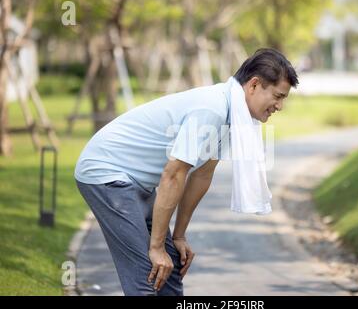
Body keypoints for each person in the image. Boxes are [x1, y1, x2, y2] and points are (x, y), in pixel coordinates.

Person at [74, 48, 299, 296]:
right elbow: (174, 174)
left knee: (170, 275)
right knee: (146, 277)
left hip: (137, 183)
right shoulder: (212, 109)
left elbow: (202, 175)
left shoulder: (232, 113)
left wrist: (178, 236)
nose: (279, 106)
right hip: (106, 172)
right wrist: (157, 245)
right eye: (278, 96)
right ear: (254, 85)